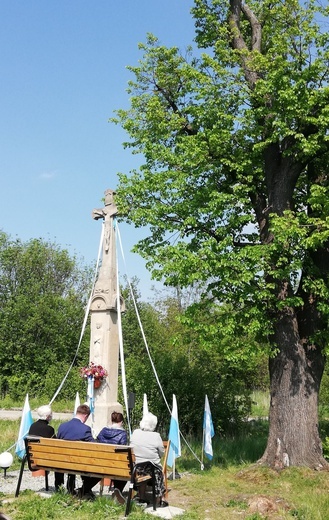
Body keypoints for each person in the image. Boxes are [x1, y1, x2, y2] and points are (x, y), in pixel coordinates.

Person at [57, 404, 100, 499]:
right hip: (78, 463)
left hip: (61, 461)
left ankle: (61, 488)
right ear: (85, 416)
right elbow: (94, 446)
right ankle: (83, 490)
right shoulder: (85, 429)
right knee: (97, 468)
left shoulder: (62, 426)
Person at [130, 412, 168, 507]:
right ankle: (160, 498)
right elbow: (161, 452)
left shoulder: (135, 433)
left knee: (143, 471)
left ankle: (142, 496)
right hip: (153, 469)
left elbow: (131, 448)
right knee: (155, 470)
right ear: (153, 425)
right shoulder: (156, 436)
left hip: (136, 468)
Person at [28, 405, 63, 491]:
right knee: (60, 460)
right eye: (51, 414)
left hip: (32, 459)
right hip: (45, 460)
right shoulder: (49, 429)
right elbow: (55, 445)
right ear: (48, 416)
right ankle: (59, 486)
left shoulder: (32, 426)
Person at [97, 411, 128, 503]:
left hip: (100, 463)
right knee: (125, 470)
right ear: (121, 422)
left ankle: (84, 490)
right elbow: (123, 452)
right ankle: (117, 490)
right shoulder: (123, 434)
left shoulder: (103, 431)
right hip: (115, 465)